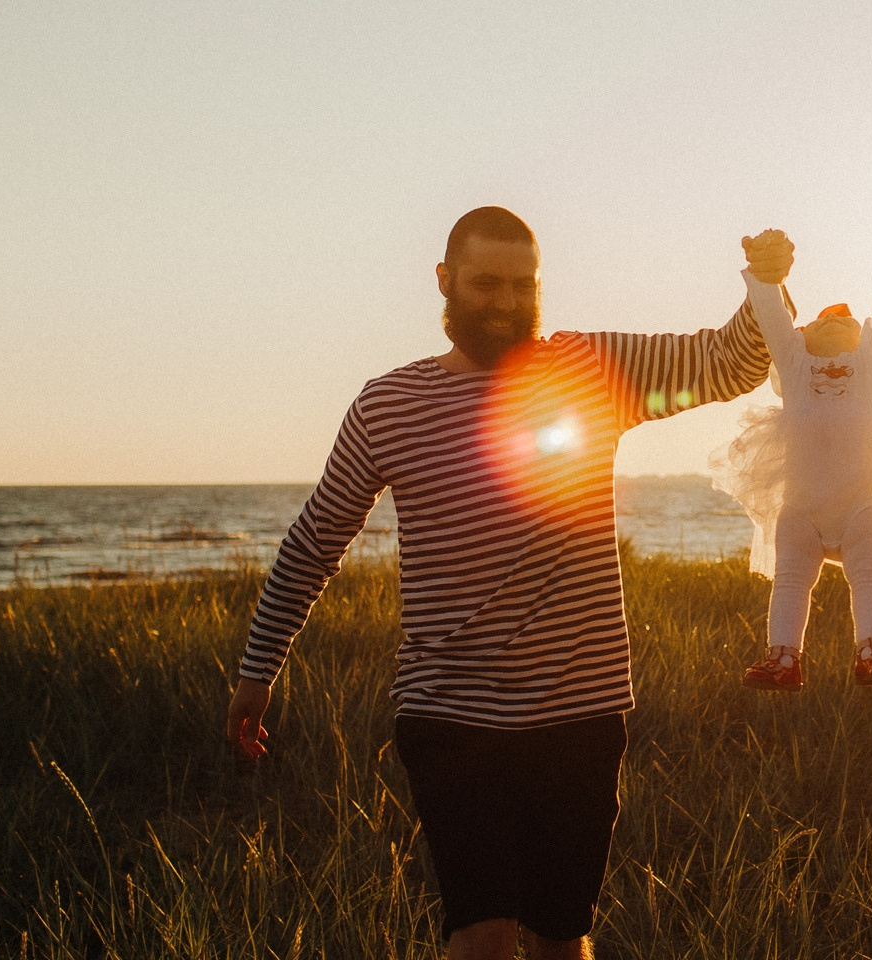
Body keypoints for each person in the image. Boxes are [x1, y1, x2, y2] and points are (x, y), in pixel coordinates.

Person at [224, 206, 788, 960]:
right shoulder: (387, 404)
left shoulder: (590, 370)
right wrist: (260, 668)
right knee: (481, 934)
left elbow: (731, 364)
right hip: (449, 713)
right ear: (445, 281)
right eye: (486, 283)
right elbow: (317, 539)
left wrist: (765, 281)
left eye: (522, 285)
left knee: (561, 938)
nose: (505, 302)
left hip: (578, 709)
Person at [711, 239, 872, 691]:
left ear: (864, 336)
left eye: (846, 320)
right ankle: (784, 659)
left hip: (862, 505)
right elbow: (773, 318)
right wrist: (764, 274)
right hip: (802, 510)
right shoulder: (795, 363)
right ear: (803, 337)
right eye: (825, 320)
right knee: (790, 580)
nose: (837, 321)